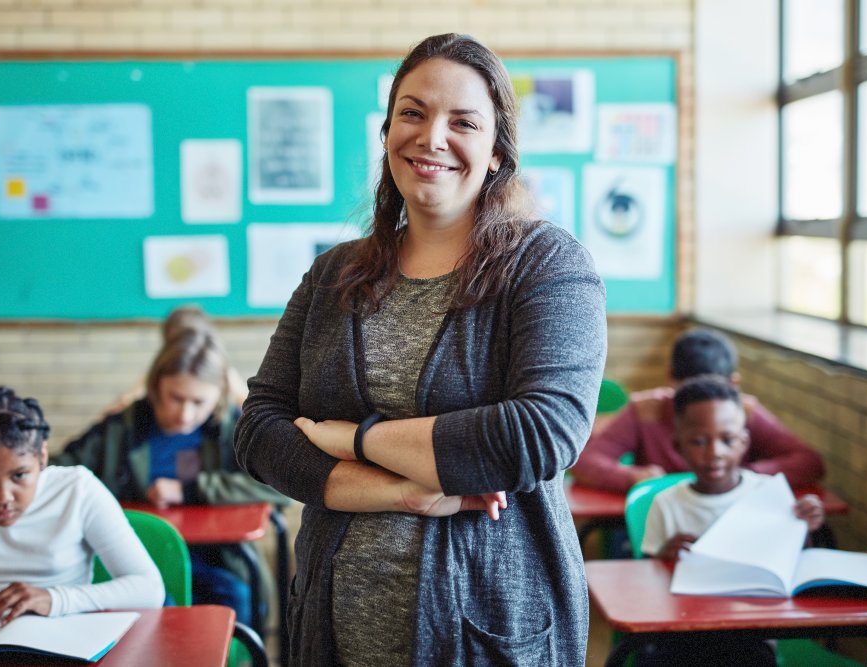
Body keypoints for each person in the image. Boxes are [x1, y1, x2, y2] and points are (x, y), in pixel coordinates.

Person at [234, 33, 607, 666]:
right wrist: (400, 491)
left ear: (496, 152)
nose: (432, 137)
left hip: (489, 635)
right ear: (386, 134)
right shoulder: (332, 275)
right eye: (413, 112)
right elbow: (260, 434)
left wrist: (352, 439)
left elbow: (543, 435)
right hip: (333, 630)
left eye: (463, 122)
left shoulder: (546, 265)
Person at [56, 329, 287, 629]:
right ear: (155, 386)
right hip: (135, 558)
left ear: (219, 394)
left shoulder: (234, 428)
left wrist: (193, 489)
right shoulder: (120, 428)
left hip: (217, 559)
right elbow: (60, 471)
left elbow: (283, 484)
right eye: (175, 398)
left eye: (199, 402)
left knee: (235, 598)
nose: (185, 414)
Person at [637, 375, 825, 666]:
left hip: (752, 630)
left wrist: (806, 523)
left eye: (728, 440)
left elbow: (791, 563)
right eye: (699, 441)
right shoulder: (666, 504)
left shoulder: (768, 495)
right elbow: (646, 585)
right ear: (678, 445)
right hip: (682, 630)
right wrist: (664, 558)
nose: (715, 453)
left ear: (744, 442)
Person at [0, 386, 164, 625]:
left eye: (20, 476)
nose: (3, 498)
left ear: (42, 457)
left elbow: (149, 588)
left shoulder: (78, 490)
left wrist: (56, 600)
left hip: (64, 639)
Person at [572, 328, 825, 494]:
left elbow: (808, 462)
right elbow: (585, 461)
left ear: (733, 386)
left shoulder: (745, 412)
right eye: (688, 395)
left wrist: (747, 477)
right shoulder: (645, 410)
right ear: (670, 379)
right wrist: (632, 477)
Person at [103, 304, 248, 416]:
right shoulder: (161, 374)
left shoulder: (222, 373)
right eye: (176, 346)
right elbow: (119, 406)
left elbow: (249, 409)